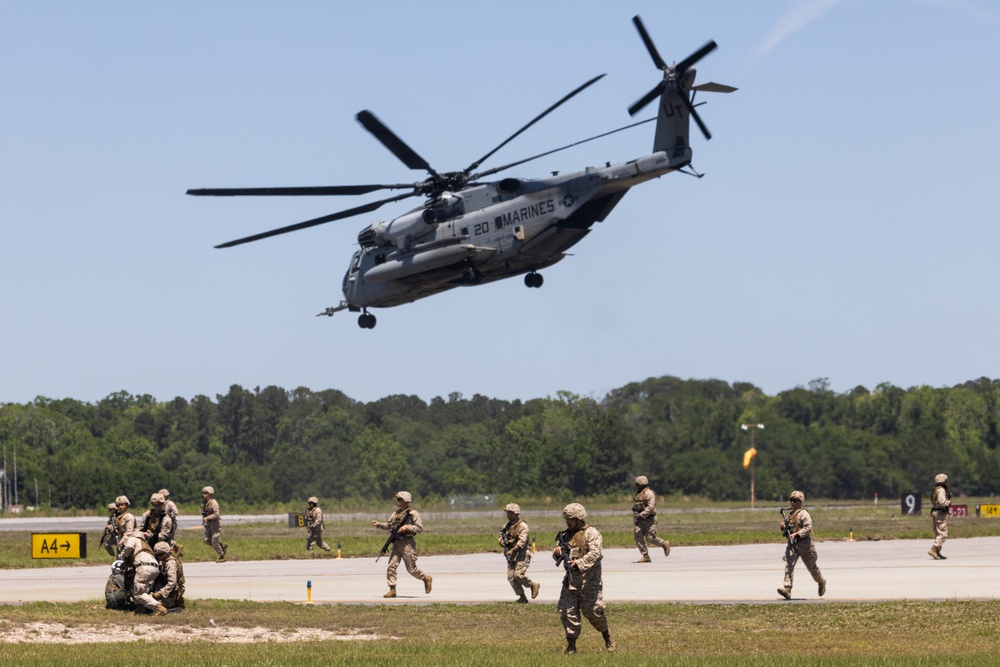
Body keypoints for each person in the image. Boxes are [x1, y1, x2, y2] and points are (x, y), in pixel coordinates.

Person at [553, 503, 614, 654]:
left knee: (593, 611)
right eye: (566, 519)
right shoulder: (565, 535)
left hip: (589, 581)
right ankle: (571, 644)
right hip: (571, 581)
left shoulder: (591, 533)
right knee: (567, 611)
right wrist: (557, 552)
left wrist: (579, 563)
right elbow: (558, 556)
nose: (568, 522)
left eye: (571, 519)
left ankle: (606, 634)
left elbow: (595, 554)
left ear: (579, 519)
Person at [371, 491, 432, 598]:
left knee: (411, 569)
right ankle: (392, 589)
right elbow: (389, 525)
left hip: (408, 544)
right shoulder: (395, 514)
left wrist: (406, 527)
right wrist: (379, 525)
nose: (397, 501)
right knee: (391, 566)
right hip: (397, 544)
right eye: (397, 499)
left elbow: (419, 528)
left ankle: (425, 578)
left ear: (405, 501)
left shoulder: (413, 514)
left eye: (399, 499)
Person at [777, 490, 826, 600]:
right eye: (791, 500)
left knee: (812, 567)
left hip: (805, 545)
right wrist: (784, 526)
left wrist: (798, 534)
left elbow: (808, 527)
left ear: (800, 502)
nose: (792, 503)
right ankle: (788, 589)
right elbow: (789, 527)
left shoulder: (804, 514)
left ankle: (821, 581)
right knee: (788, 565)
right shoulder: (790, 515)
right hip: (792, 545)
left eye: (795, 501)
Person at [119, 530, 167, 616]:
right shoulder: (145, 545)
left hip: (143, 567)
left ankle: (158, 607)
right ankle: (140, 608)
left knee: (139, 594)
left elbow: (128, 547)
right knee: (139, 588)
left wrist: (123, 556)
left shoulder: (134, 539)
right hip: (155, 568)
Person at [499, 503, 539, 603]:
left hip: (522, 554)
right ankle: (522, 598)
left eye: (510, 513)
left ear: (516, 514)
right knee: (511, 577)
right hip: (511, 556)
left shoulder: (523, 526)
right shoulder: (506, 526)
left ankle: (532, 585)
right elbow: (501, 537)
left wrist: (514, 549)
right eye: (507, 513)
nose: (508, 515)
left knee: (518, 575)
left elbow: (522, 541)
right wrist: (503, 542)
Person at [632, 475, 670, 563]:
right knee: (638, 536)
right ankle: (645, 556)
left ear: (641, 484)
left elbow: (651, 507)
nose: (636, 485)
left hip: (650, 519)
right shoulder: (639, 493)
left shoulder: (649, 493)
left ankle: (663, 543)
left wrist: (641, 514)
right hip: (640, 520)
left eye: (637, 484)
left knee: (650, 538)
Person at [151, 541, 185, 610]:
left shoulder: (170, 564)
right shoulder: (165, 561)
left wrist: (161, 594)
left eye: (160, 555)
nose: (158, 557)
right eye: (156, 555)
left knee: (152, 605)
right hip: (168, 591)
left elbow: (172, 582)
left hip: (171, 593)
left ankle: (173, 604)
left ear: (166, 553)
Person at [201, 486, 228, 562]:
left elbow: (217, 514)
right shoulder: (205, 502)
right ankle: (221, 546)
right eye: (203, 493)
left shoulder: (213, 502)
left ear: (210, 494)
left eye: (205, 493)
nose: (204, 494)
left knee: (214, 540)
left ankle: (222, 555)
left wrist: (208, 518)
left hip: (215, 523)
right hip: (208, 524)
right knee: (206, 540)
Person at [929, 473, 951, 560]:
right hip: (940, 513)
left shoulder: (936, 489)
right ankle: (933, 549)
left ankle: (937, 552)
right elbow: (942, 502)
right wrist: (948, 503)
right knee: (943, 533)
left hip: (935, 511)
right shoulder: (941, 490)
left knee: (938, 533)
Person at [158, 488, 183, 557]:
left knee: (169, 538)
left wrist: (169, 516)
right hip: (165, 523)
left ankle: (175, 550)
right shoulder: (163, 504)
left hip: (171, 523)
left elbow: (175, 512)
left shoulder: (169, 503)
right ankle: (174, 550)